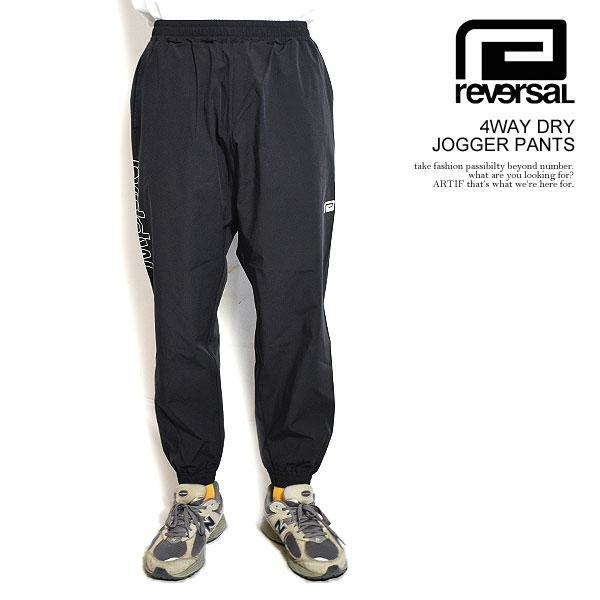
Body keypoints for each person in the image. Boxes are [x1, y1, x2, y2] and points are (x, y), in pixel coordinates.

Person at [130, 1, 346, 581]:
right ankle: (195, 493)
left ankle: (293, 492)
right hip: (176, 64)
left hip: (284, 62)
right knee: (181, 299)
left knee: (294, 298)